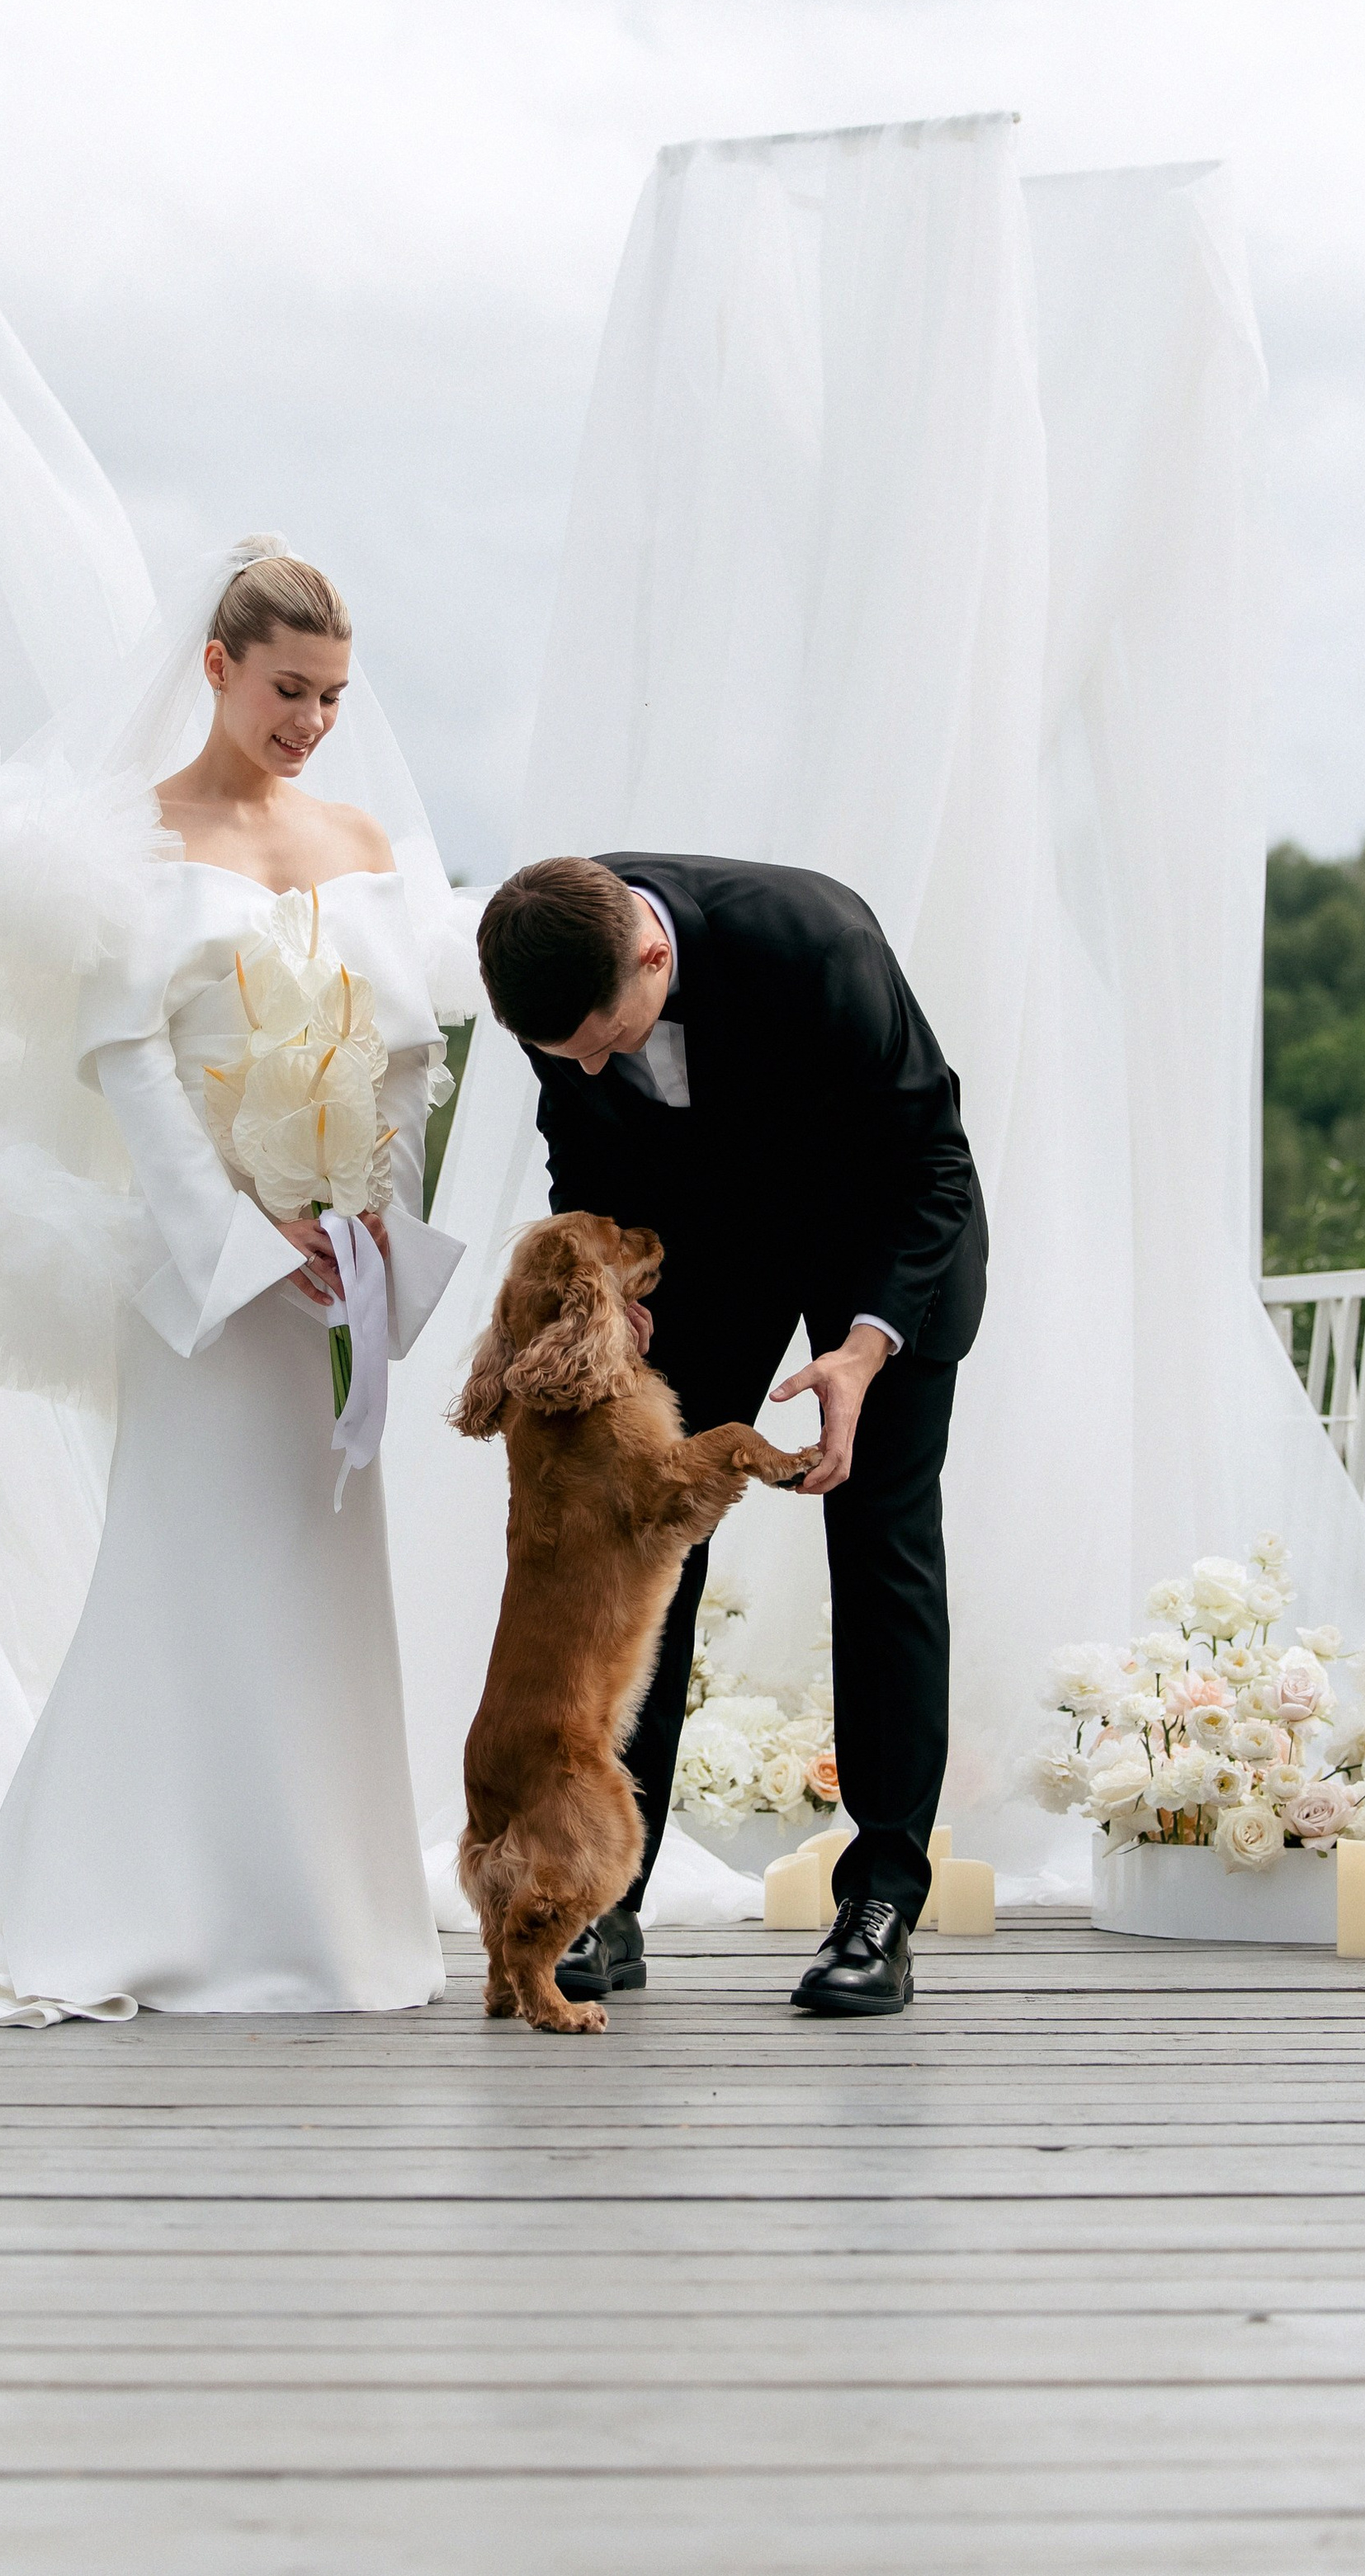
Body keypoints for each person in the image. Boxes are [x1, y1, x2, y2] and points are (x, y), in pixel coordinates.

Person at [0, 545, 467, 2025]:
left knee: (319, 1570)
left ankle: (326, 1914)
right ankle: (143, 1894)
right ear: (216, 666)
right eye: (285, 689)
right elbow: (126, 1062)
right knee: (185, 1557)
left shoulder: (365, 835)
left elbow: (414, 1053)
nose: (311, 719)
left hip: (340, 1274)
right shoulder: (137, 840)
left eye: (330, 695)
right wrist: (248, 1248)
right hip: (207, 1277)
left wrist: (366, 1229)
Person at [475, 852, 986, 2018]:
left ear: (653, 955)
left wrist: (864, 1349)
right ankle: (609, 1897)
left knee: (883, 1534)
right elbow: (584, 1153)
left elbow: (934, 1165)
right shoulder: (547, 967)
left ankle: (882, 1902)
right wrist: (617, 1286)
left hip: (881, 1235)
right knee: (646, 1531)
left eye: (606, 1040)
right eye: (572, 1055)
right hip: (701, 1245)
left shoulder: (818, 946)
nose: (594, 1064)